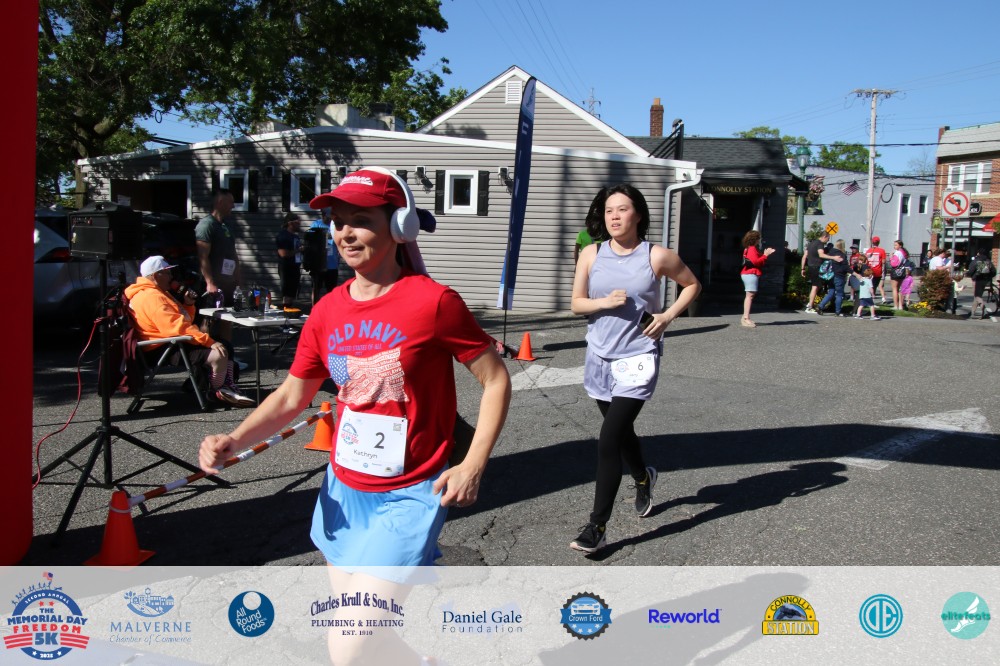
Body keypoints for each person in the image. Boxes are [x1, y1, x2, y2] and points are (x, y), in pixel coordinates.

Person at [198, 168, 511, 663]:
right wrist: (234, 439)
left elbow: (495, 380)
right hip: (343, 490)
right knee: (370, 645)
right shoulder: (327, 311)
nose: (345, 232)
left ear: (399, 226)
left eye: (361, 220)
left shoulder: (434, 302)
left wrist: (473, 463)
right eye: (338, 221)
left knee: (347, 644)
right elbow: (292, 396)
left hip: (410, 494)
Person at [569, 184, 701, 554]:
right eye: (609, 210)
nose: (614, 216)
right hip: (600, 356)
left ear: (638, 214)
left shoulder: (656, 255)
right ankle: (643, 477)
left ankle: (597, 527)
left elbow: (692, 285)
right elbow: (577, 303)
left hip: (638, 356)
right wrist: (602, 302)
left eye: (622, 209)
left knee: (609, 439)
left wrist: (667, 316)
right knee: (621, 430)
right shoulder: (591, 253)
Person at [125, 255, 254, 407]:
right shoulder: (152, 297)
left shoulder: (158, 292)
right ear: (155, 275)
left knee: (225, 345)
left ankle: (225, 387)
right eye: (167, 273)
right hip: (163, 347)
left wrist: (188, 304)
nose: (171, 277)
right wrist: (209, 342)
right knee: (218, 353)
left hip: (171, 341)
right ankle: (216, 392)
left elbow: (182, 320)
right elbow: (176, 327)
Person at [196, 189, 240, 341]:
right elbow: (203, 256)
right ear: (220, 202)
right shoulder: (206, 225)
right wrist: (210, 282)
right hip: (213, 284)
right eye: (230, 202)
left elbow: (233, 254)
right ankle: (205, 349)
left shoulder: (226, 225)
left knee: (227, 318)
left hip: (228, 281)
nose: (233, 206)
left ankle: (227, 351)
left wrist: (238, 278)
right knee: (209, 319)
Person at [801, 231, 843, 314]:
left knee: (815, 286)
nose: (828, 240)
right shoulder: (820, 244)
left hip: (810, 266)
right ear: (824, 236)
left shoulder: (811, 243)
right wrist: (834, 257)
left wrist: (802, 268)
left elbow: (804, 256)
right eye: (828, 238)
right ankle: (810, 306)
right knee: (815, 286)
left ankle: (810, 304)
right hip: (817, 267)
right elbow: (821, 255)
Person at [739, 229, 774, 327]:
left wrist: (764, 255)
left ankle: (745, 317)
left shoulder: (749, 248)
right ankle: (746, 318)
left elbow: (757, 261)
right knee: (749, 296)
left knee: (750, 295)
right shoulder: (752, 249)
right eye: (758, 238)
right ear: (755, 239)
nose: (759, 240)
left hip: (749, 274)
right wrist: (765, 255)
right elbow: (755, 262)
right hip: (750, 274)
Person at [305, 208, 341, 305]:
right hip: (319, 263)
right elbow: (310, 241)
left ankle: (331, 309)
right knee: (316, 288)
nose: (330, 219)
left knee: (332, 289)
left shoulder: (334, 225)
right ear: (323, 215)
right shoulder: (316, 224)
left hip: (332, 264)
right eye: (328, 217)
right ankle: (314, 308)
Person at [275, 212, 302, 308]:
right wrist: (299, 250)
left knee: (292, 293)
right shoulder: (283, 235)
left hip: (295, 266)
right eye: (297, 222)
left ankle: (289, 311)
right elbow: (283, 253)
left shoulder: (295, 236)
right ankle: (285, 312)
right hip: (286, 267)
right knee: (287, 293)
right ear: (290, 223)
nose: (299, 224)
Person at [818, 239, 850, 316]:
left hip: (830, 276)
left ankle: (821, 306)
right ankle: (837, 311)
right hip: (839, 276)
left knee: (831, 292)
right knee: (839, 294)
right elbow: (845, 267)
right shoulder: (842, 255)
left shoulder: (831, 253)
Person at [966, 248, 997, 319]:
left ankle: (984, 308)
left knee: (977, 296)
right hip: (985, 281)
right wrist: (989, 277)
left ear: (978, 253)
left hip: (977, 280)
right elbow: (994, 271)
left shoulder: (976, 261)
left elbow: (970, 271)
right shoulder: (988, 261)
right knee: (977, 296)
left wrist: (968, 275)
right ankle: (972, 312)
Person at [864, 236, 888, 305]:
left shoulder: (868, 251)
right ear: (879, 242)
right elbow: (883, 262)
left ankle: (869, 301)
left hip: (869, 271)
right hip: (878, 271)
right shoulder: (882, 251)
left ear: (872, 242)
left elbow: (865, 261)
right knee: (877, 286)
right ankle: (874, 301)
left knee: (870, 286)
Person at [888, 240, 910, 311]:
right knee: (900, 289)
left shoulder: (897, 253)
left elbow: (893, 264)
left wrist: (891, 257)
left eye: (896, 245)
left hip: (896, 271)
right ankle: (900, 306)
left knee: (895, 289)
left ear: (900, 245)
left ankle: (896, 305)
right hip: (902, 271)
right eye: (894, 245)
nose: (894, 246)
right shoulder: (904, 253)